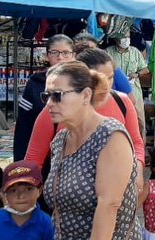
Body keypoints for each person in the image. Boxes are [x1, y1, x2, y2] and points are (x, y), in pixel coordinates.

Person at [43, 61, 141, 240]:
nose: (49, 103)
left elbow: (109, 204)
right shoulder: (61, 140)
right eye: (46, 96)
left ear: (86, 95)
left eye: (57, 95)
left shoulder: (111, 136)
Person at [26, 48, 145, 202]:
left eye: (110, 78)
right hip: (69, 202)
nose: (106, 85)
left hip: (118, 196)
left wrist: (139, 171)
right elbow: (34, 160)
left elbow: (136, 142)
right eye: (99, 79)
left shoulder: (121, 102)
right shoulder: (56, 110)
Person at [14, 34, 75, 161]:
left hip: (74, 153)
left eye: (65, 53)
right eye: (54, 53)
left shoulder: (81, 83)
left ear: (73, 55)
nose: (60, 57)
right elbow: (24, 125)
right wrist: (21, 163)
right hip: (42, 154)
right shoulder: (35, 82)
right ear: (47, 56)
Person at [106, 32, 149, 144]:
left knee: (139, 121)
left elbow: (145, 69)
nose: (126, 39)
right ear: (116, 39)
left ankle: (141, 149)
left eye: (128, 37)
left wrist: (137, 74)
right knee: (118, 121)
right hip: (114, 94)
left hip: (134, 92)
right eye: (123, 37)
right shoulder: (108, 52)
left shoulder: (135, 52)